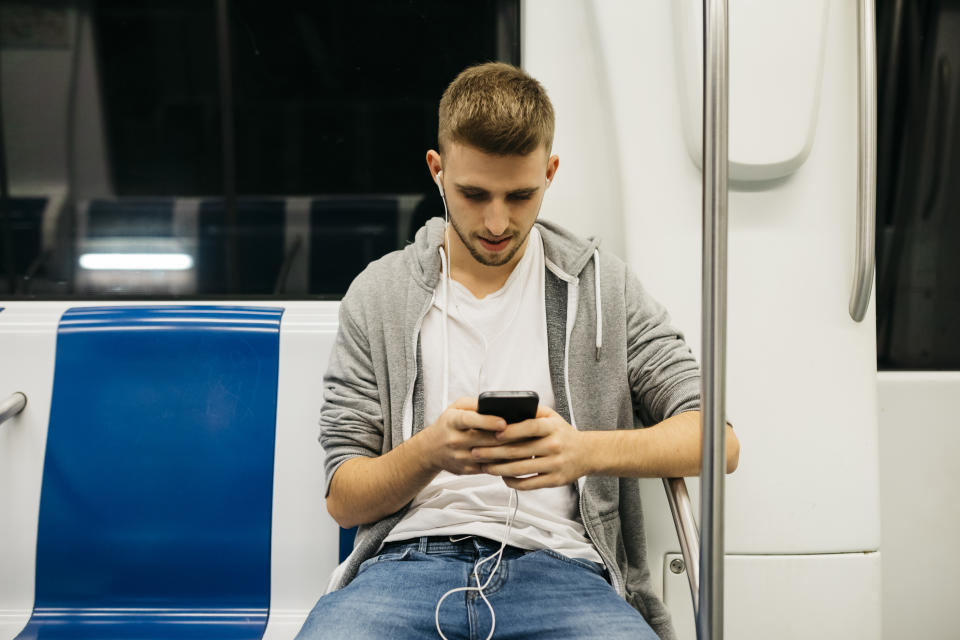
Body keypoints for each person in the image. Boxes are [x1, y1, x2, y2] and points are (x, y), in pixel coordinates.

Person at [296, 62, 739, 640]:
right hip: (406, 566)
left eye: (521, 194)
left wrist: (582, 452)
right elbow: (344, 497)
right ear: (437, 171)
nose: (498, 222)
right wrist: (430, 451)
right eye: (473, 194)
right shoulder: (380, 295)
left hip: (563, 570)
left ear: (550, 173)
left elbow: (718, 441)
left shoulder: (603, 287)